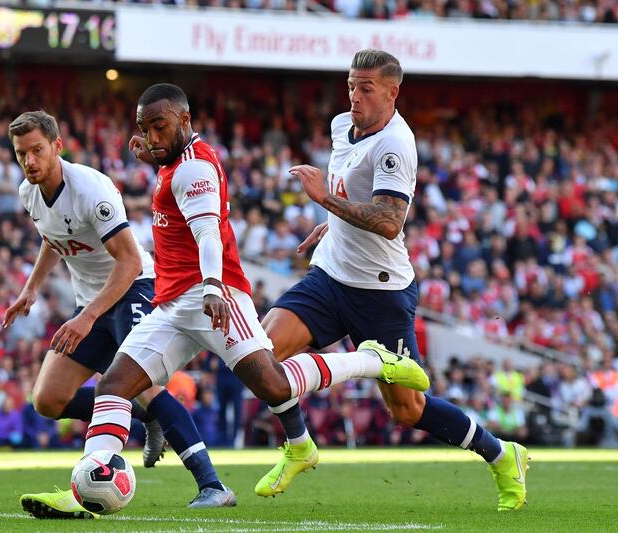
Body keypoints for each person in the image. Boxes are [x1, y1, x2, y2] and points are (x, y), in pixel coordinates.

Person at [83, 83, 427, 505]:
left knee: (275, 384)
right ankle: (91, 481)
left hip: (213, 293)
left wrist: (212, 286)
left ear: (184, 121)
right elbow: (173, 176)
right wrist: (153, 153)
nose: (153, 138)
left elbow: (208, 232)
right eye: (145, 129)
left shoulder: (193, 169)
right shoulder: (176, 159)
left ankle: (370, 360)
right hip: (173, 305)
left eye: (159, 128)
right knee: (113, 386)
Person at [258, 49, 529, 511]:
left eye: (366, 88)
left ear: (392, 92)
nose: (355, 96)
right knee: (261, 354)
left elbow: (388, 220)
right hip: (329, 275)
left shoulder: (396, 145)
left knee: (407, 410)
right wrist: (332, 223)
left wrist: (324, 200)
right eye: (350, 85)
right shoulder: (343, 126)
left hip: (381, 291)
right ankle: (299, 445)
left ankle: (503, 455)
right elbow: (354, 194)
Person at [2, 110, 230, 517]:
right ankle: (144, 418)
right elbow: (54, 237)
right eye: (22, 154)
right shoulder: (28, 192)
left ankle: (212, 483)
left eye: (37, 150)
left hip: (133, 290)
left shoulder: (92, 188)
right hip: (89, 304)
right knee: (49, 399)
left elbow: (126, 262)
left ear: (57, 146)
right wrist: (31, 287)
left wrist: (87, 316)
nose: (30, 161)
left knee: (141, 383)